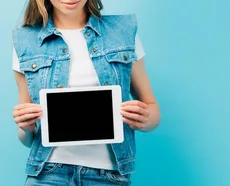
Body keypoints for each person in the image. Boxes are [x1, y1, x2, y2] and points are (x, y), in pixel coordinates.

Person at [11, 0, 161, 185]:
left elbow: (152, 110)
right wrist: (26, 127)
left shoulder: (122, 32)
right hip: (48, 174)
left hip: (109, 176)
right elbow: (27, 138)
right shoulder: (26, 41)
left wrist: (144, 119)